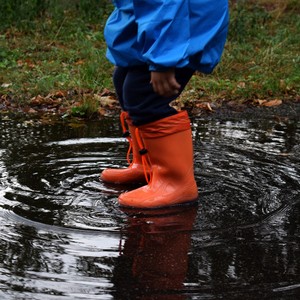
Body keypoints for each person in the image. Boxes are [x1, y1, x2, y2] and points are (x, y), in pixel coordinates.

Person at [100, 0, 229, 209]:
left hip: (181, 28)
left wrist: (163, 60)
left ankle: (176, 183)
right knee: (123, 80)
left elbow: (165, 5)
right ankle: (148, 165)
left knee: (143, 95)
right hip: (158, 23)